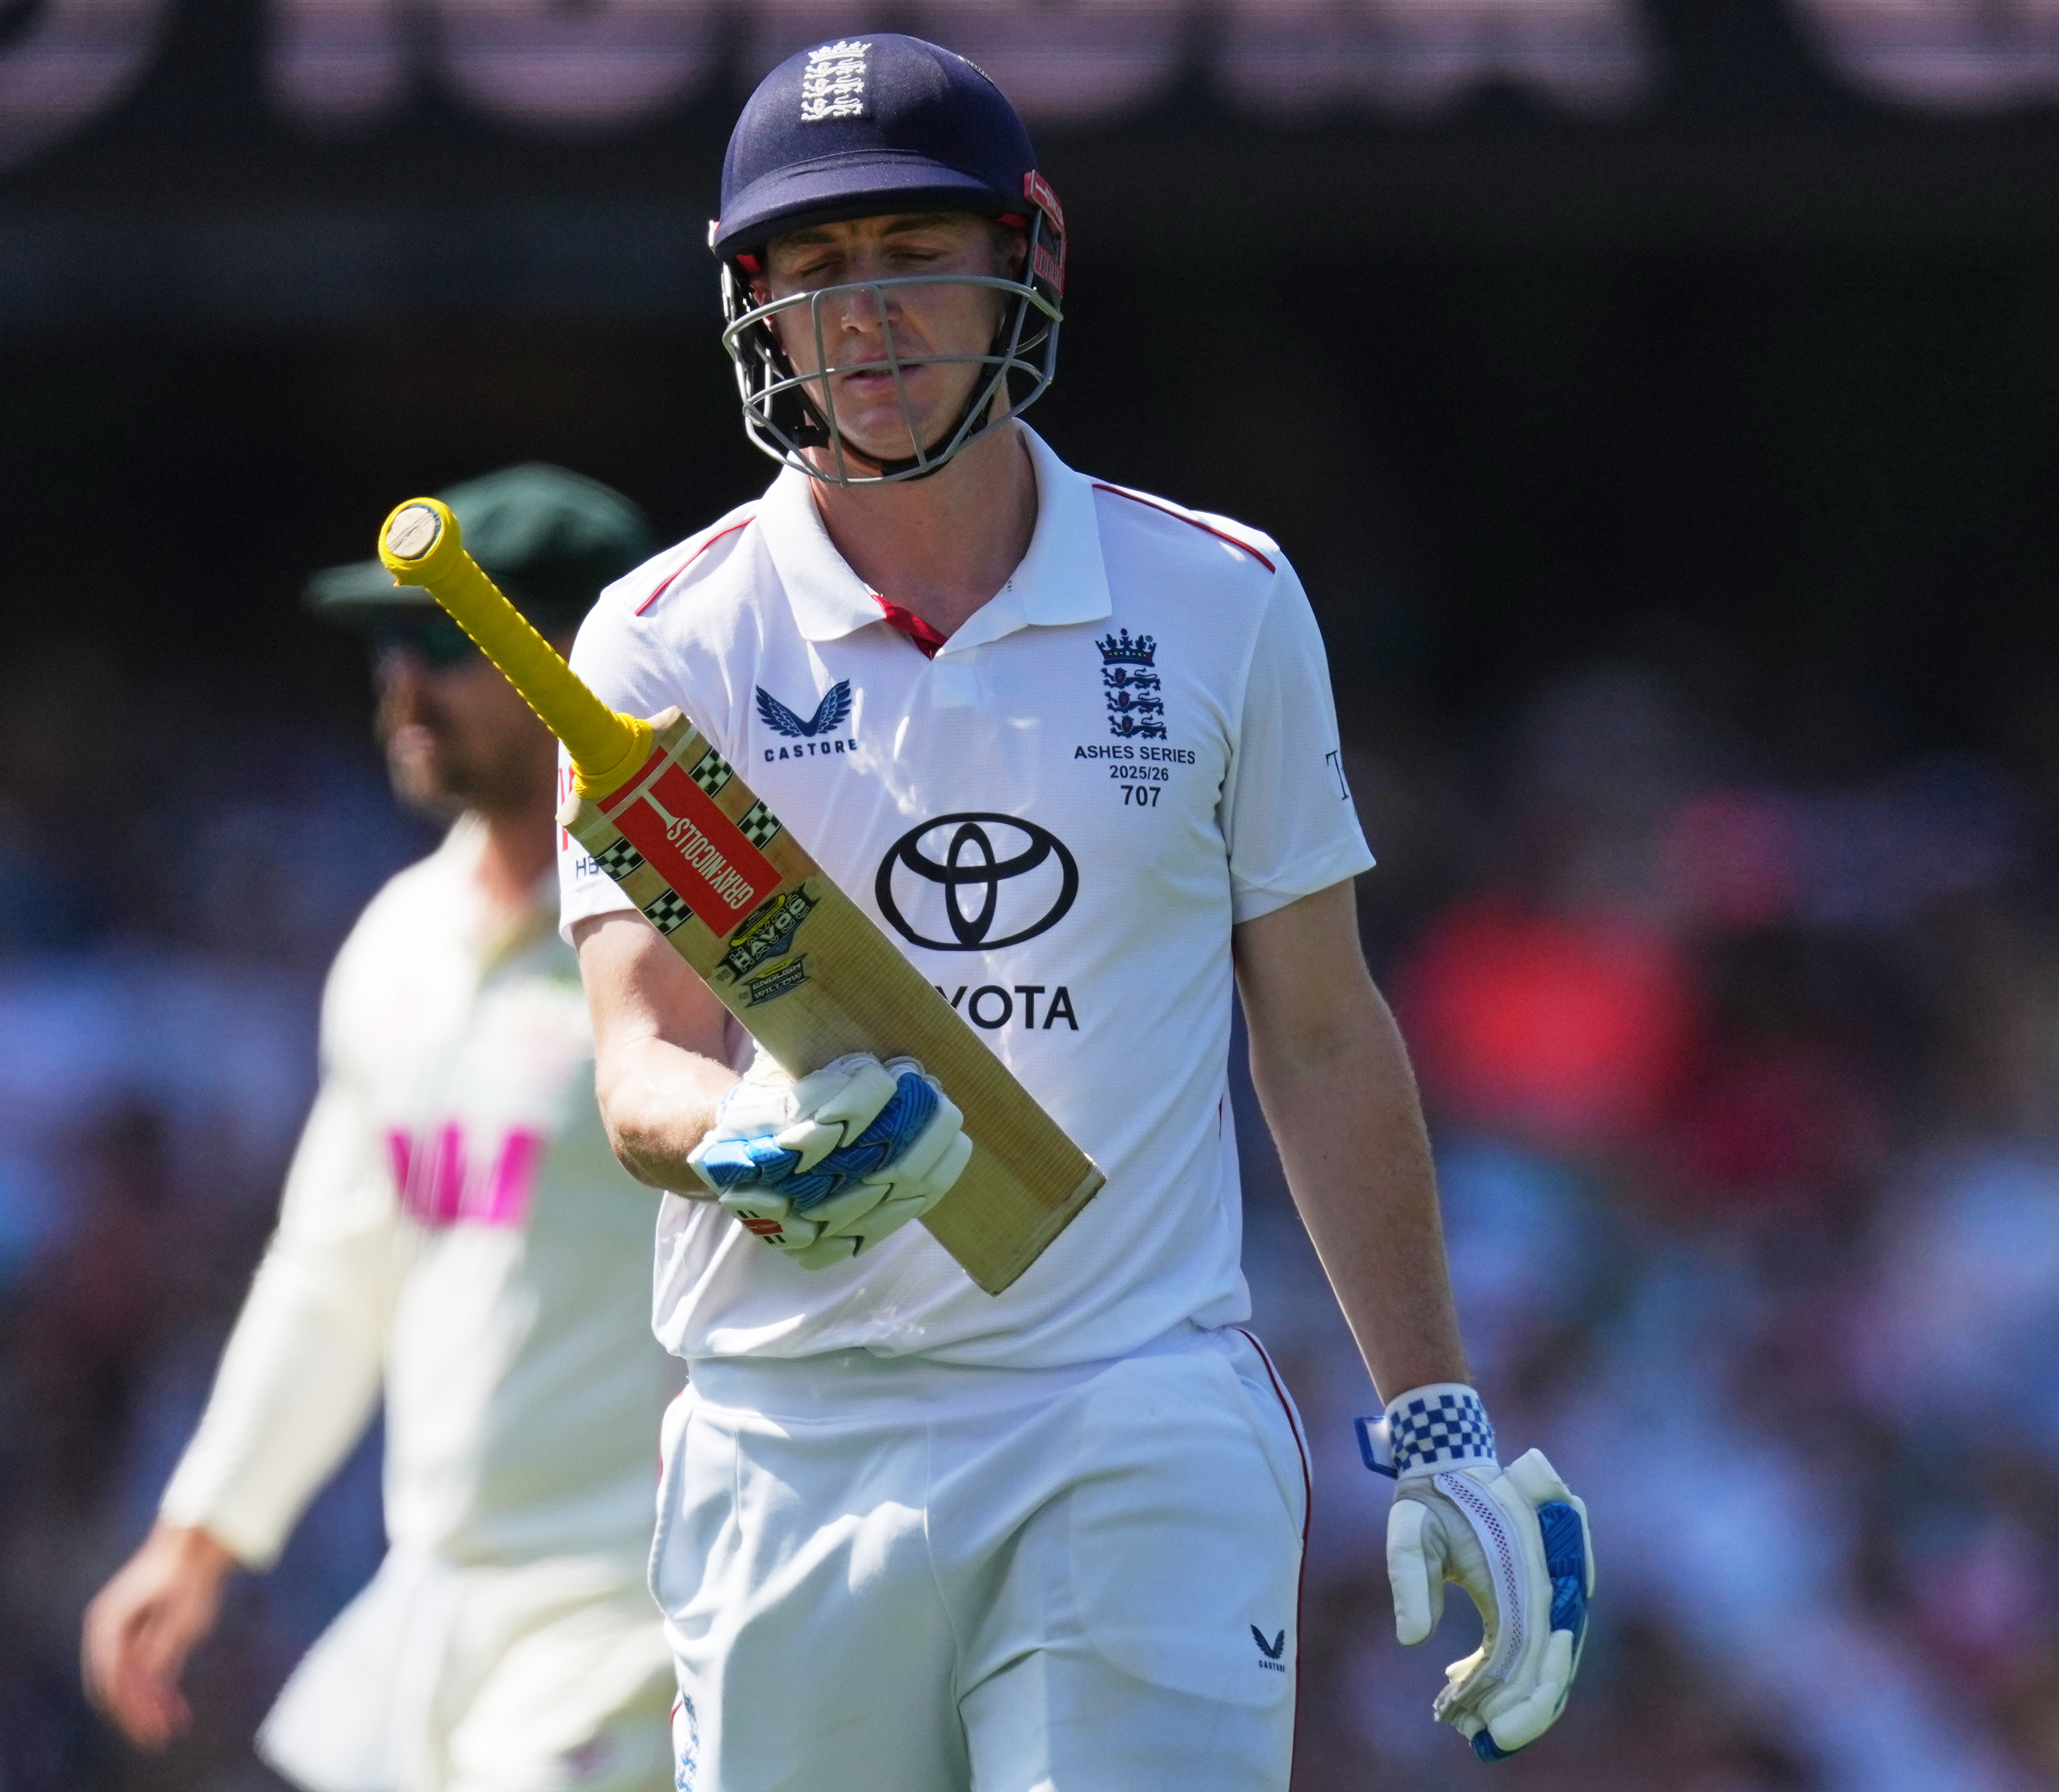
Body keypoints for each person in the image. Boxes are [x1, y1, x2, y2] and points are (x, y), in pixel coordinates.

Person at [555, 36, 1596, 1792]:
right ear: (754, 307)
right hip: (791, 1430)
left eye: (909, 255)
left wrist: (1438, 1422)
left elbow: (1322, 1026)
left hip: (1128, 1402)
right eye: (810, 274)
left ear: (1030, 249)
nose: (863, 319)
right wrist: (751, 1136)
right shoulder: (664, 643)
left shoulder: (1221, 598)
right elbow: (636, 1053)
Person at [81, 465, 677, 1792]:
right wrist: (200, 1533)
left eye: (448, 642)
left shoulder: (703, 943)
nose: (398, 682)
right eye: (386, 643)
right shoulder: (399, 938)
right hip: (440, 1606)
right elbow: (333, 1269)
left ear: (585, 654)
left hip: (642, 1605)